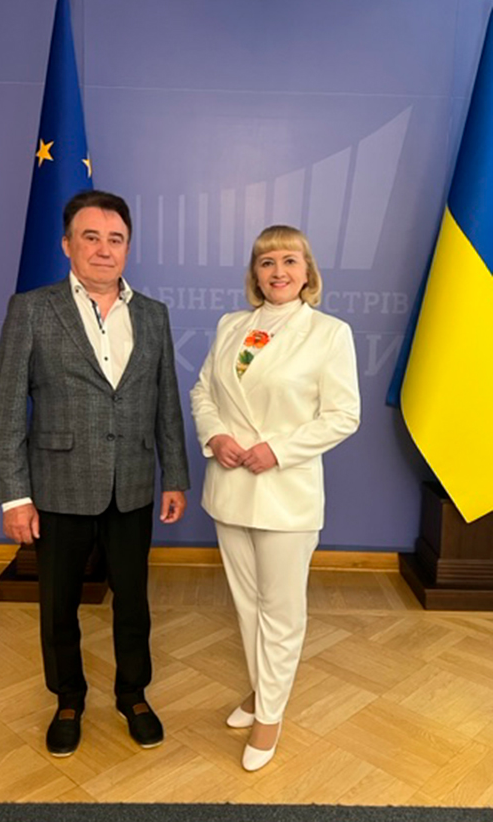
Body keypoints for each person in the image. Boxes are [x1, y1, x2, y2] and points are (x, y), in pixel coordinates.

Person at [0, 190, 189, 757]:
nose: (104, 249)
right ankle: (68, 700)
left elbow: (165, 402)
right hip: (58, 486)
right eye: (91, 237)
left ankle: (134, 695)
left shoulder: (153, 314)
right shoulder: (32, 309)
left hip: (133, 485)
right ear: (67, 245)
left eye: (115, 239)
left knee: (134, 601)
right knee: (59, 605)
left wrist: (175, 475)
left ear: (128, 247)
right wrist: (14, 496)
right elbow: (6, 408)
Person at [190, 225, 360, 772]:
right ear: (255, 274)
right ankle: (263, 689)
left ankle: (270, 715)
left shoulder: (329, 333)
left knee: (281, 610)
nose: (278, 271)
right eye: (267, 262)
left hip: (285, 492)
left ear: (308, 272)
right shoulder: (231, 325)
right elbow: (203, 390)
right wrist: (216, 435)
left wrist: (278, 450)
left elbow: (343, 416)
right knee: (247, 604)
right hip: (230, 486)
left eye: (289, 260)